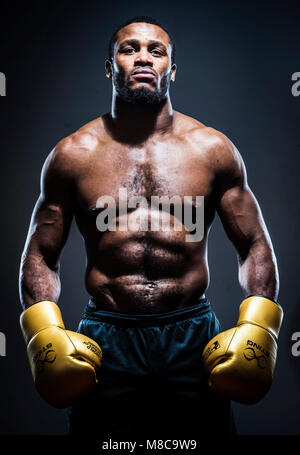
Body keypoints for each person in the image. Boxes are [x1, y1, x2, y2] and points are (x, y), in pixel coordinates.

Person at [19, 16, 283, 440]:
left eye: (156, 50)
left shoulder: (212, 150)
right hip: (108, 335)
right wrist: (44, 331)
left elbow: (254, 243)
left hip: (191, 333)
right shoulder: (73, 154)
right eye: (129, 49)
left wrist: (258, 325)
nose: (143, 57)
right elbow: (41, 253)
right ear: (110, 66)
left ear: (171, 70)